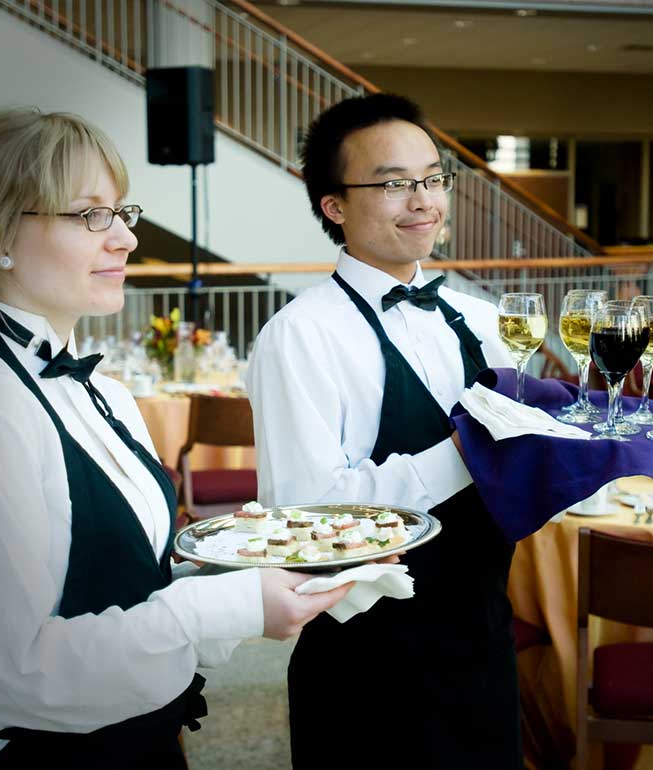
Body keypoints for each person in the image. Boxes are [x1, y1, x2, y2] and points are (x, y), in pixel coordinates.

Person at [0, 107, 353, 770]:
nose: (124, 238)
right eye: (90, 214)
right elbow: (8, 675)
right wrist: (224, 605)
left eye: (122, 212)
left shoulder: (109, 393)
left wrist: (241, 580)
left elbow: (115, 584)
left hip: (140, 743)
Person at [246, 93, 522, 770]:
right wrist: (465, 452)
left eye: (432, 178)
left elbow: (520, 466)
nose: (423, 201)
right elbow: (310, 521)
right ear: (333, 206)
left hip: (485, 636)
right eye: (394, 183)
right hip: (370, 657)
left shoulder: (480, 319)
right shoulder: (301, 335)